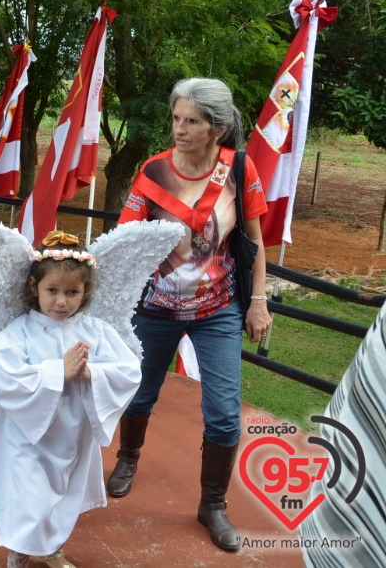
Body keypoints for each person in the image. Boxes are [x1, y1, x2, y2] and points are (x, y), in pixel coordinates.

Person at [107, 78, 271, 552]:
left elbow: (255, 243)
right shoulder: (154, 171)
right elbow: (124, 240)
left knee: (223, 416)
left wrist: (258, 302)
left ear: (216, 129)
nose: (179, 128)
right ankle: (128, 457)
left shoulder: (241, 169)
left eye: (191, 121)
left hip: (218, 310)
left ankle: (213, 505)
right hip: (155, 309)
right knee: (138, 396)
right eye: (176, 118)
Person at [0, 232, 141, 568]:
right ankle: (19, 550)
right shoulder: (17, 333)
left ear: (85, 291)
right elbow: (9, 376)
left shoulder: (96, 331)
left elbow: (129, 370)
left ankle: (51, 548)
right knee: (30, 497)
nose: (61, 301)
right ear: (34, 287)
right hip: (27, 435)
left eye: (72, 292)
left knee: (60, 498)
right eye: (52, 291)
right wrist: (58, 372)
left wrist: (91, 375)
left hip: (72, 433)